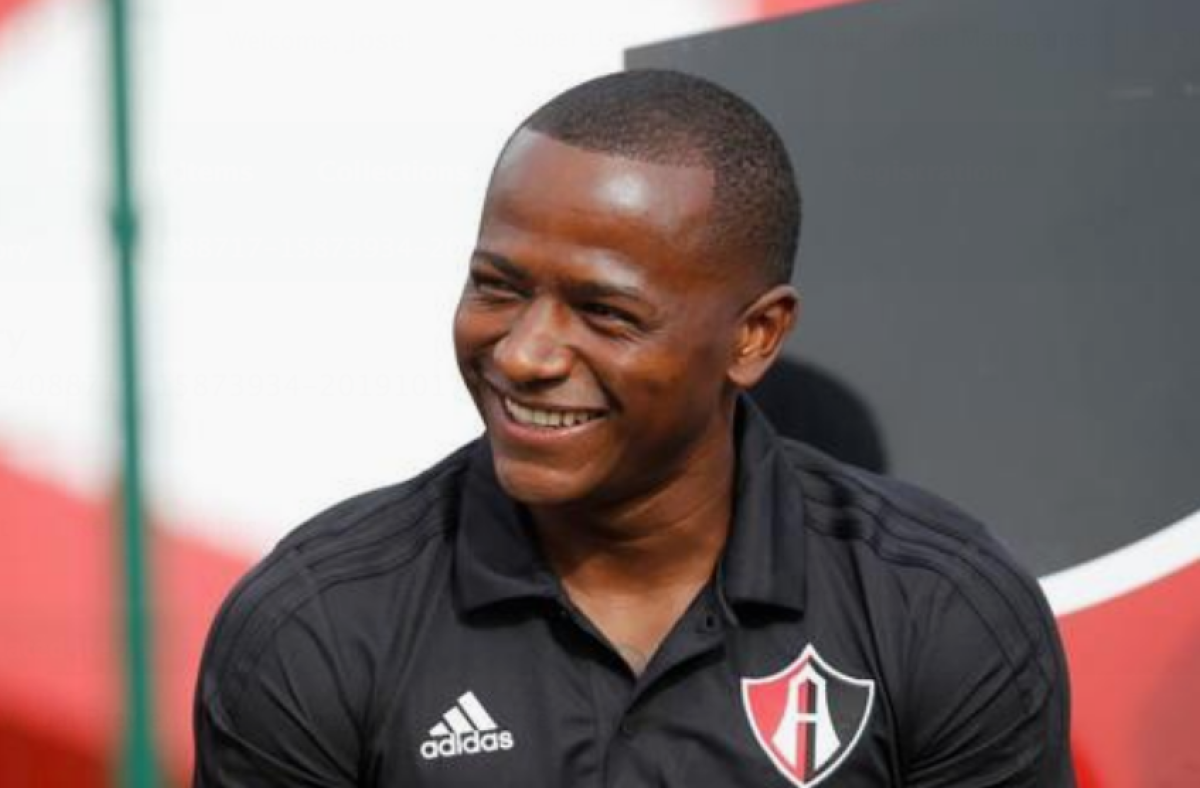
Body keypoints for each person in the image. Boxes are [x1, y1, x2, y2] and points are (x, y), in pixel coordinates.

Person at [193, 69, 1075, 787]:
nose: (526, 352)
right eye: (497, 286)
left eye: (604, 312)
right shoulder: (320, 620)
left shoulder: (938, 608)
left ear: (754, 336)